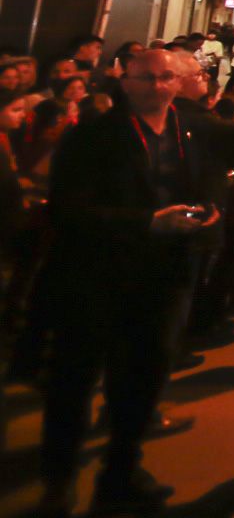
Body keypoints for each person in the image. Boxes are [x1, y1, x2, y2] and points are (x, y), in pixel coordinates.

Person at [38, 50, 223, 516]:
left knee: (141, 378)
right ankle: (57, 480)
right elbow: (66, 209)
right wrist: (145, 222)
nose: (158, 87)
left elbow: (208, 182)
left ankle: (122, 470)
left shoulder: (191, 130)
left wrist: (209, 212)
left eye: (166, 78)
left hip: (164, 276)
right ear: (125, 81)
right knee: (74, 380)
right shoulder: (93, 136)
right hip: (96, 274)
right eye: (146, 78)